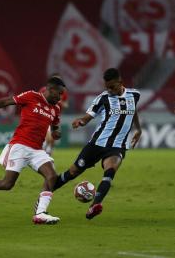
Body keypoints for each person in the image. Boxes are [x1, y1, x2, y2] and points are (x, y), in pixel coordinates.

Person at [0, 75, 66, 224]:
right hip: (20, 145)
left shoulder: (55, 109)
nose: (60, 97)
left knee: (52, 176)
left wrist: (55, 133)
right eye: (59, 93)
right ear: (50, 89)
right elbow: (4, 102)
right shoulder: (31, 96)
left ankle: (40, 213)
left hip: (36, 150)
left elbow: (54, 128)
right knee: (7, 184)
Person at [52, 68, 142, 220]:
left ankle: (95, 205)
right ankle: (46, 193)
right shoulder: (103, 98)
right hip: (97, 143)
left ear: (120, 83)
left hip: (117, 145)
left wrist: (138, 129)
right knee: (72, 172)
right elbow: (89, 116)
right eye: (106, 87)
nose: (109, 90)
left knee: (110, 170)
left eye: (112, 87)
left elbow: (133, 111)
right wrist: (81, 121)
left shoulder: (134, 95)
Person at [39, 83, 69, 156]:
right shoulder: (44, 90)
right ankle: (43, 152)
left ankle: (49, 151)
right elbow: (39, 101)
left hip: (56, 117)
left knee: (53, 138)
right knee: (48, 137)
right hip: (45, 116)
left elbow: (66, 105)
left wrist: (60, 102)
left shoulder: (63, 92)